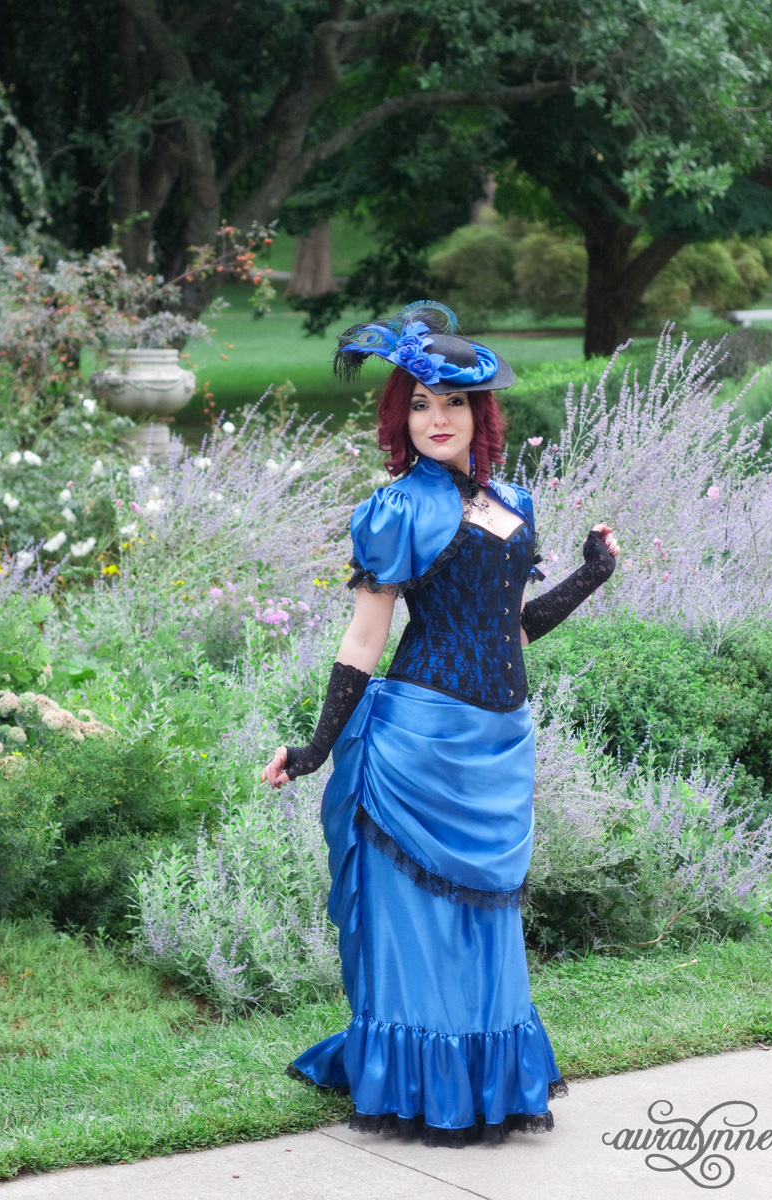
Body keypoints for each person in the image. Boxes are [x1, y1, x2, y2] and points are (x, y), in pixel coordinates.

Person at [263, 301, 619, 1146]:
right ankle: (419, 1083)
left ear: (479, 413)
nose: (435, 419)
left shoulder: (513, 501)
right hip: (420, 741)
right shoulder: (395, 510)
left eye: (451, 404)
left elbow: (513, 628)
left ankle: (485, 1078)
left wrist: (591, 575)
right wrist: (317, 745)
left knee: (486, 921)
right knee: (420, 926)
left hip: (498, 743)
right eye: (418, 404)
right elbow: (363, 640)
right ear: (401, 417)